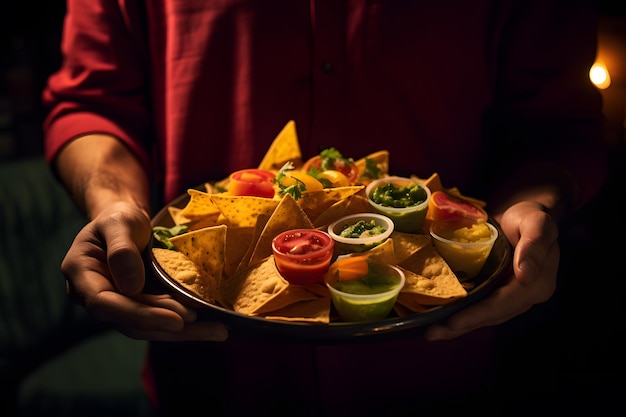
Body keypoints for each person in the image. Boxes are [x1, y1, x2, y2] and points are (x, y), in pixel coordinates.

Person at [43, 1, 609, 415]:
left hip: (440, 365)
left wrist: (533, 206)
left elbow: (556, 124)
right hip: (210, 374)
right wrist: (114, 203)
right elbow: (91, 103)